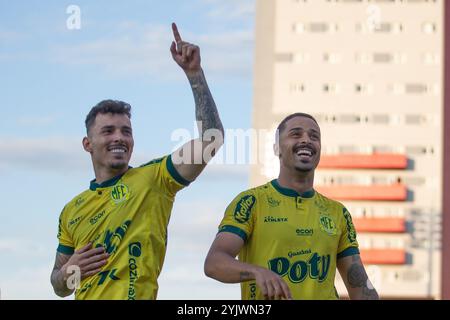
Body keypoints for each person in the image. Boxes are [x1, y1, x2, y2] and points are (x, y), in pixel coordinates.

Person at [50, 23, 224, 300]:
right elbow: (59, 286)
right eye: (108, 131)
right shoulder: (71, 211)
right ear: (87, 145)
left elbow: (211, 140)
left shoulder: (155, 178)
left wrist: (195, 75)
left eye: (126, 131)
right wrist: (70, 271)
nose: (119, 137)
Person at [204, 113, 379, 300]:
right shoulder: (251, 202)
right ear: (277, 148)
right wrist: (256, 271)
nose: (306, 140)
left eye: (314, 136)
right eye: (296, 134)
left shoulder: (338, 213)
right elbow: (214, 263)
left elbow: (360, 286)